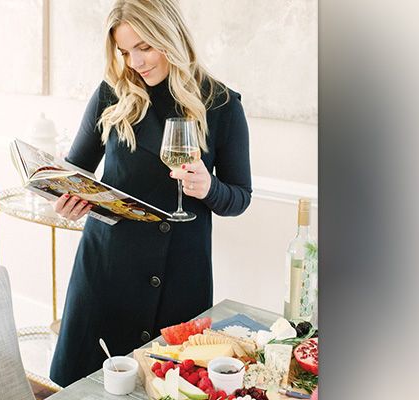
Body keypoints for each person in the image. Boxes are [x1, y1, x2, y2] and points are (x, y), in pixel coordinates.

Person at [49, 0, 252, 387]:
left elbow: (240, 196)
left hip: (180, 273)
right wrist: (69, 198)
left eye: (144, 47)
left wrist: (209, 188)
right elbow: (77, 169)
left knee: (168, 386)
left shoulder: (222, 104)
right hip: (107, 269)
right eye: (125, 51)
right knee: (84, 387)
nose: (135, 62)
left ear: (171, 36)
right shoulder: (112, 94)